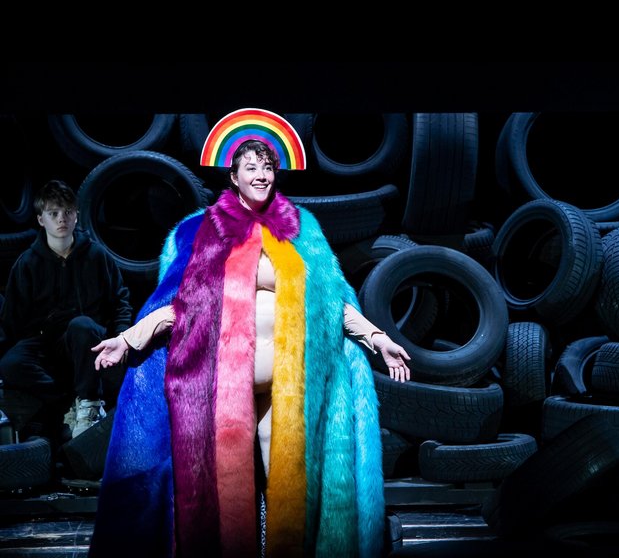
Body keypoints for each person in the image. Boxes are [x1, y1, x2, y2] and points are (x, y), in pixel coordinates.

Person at [88, 116, 411, 558]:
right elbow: (177, 307)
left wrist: (378, 339)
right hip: (223, 389)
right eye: (252, 168)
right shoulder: (202, 231)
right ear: (233, 176)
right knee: (225, 492)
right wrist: (128, 340)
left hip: (287, 387)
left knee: (289, 486)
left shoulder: (302, 229)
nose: (261, 176)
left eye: (268, 168)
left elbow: (331, 303)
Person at [0, 180, 132, 442]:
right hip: (47, 343)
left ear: (76, 216)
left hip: (88, 340)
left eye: (67, 212)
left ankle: (90, 403)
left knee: (81, 325)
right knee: (10, 363)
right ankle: (70, 402)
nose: (61, 219)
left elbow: (120, 301)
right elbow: (12, 319)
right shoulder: (27, 264)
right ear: (41, 220)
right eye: (53, 213)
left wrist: (121, 337)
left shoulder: (96, 256)